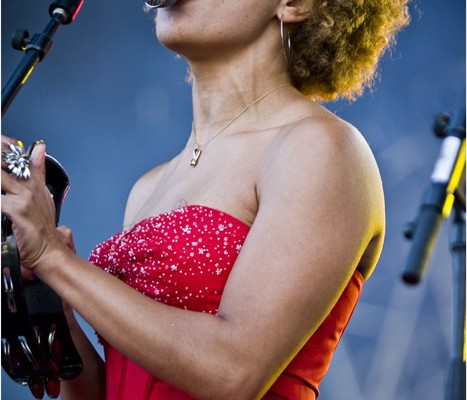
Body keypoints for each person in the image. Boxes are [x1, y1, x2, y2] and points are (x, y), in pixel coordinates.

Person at [1, 0, 410, 399]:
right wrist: (44, 292)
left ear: (295, 4)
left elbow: (232, 374)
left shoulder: (322, 148)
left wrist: (54, 257)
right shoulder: (148, 187)